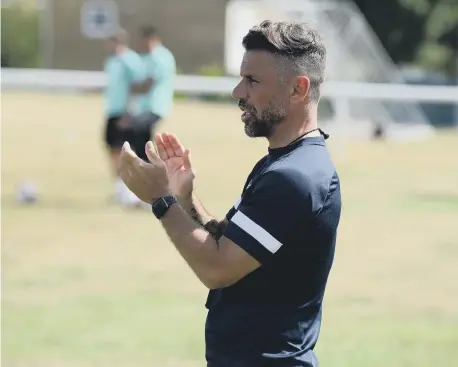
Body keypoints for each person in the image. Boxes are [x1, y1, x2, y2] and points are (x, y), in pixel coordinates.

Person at [118, 20, 342, 367]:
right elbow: (228, 244)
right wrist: (185, 198)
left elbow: (217, 268)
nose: (238, 91)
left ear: (298, 89)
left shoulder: (295, 176)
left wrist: (161, 200)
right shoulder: (285, 163)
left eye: (252, 80)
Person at [102, 28, 149, 205]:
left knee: (127, 152)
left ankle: (134, 192)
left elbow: (138, 86)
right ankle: (120, 189)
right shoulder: (111, 61)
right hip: (112, 111)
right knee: (112, 149)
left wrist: (129, 112)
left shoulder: (130, 60)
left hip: (125, 113)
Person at [130, 25, 176, 162]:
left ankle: (151, 167)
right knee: (141, 137)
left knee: (138, 131)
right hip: (146, 107)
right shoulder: (150, 57)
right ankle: (147, 166)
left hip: (156, 105)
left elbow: (146, 85)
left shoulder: (160, 57)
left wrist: (132, 87)